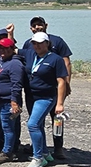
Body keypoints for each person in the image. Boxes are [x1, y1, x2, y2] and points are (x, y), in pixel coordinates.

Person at [16, 31, 68, 167]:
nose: (37, 46)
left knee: (32, 124)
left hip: (46, 97)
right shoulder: (30, 53)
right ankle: (45, 152)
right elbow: (13, 49)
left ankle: (38, 157)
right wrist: (11, 33)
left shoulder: (56, 59)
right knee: (38, 125)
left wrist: (60, 103)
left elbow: (61, 81)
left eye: (40, 43)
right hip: (31, 96)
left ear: (47, 43)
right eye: (34, 43)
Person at [21, 16, 72, 159]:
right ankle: (41, 148)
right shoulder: (28, 45)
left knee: (57, 119)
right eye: (34, 25)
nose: (37, 27)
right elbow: (21, 56)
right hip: (33, 92)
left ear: (45, 25)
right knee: (37, 121)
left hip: (52, 90)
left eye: (39, 24)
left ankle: (58, 147)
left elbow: (66, 63)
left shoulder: (57, 41)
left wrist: (67, 84)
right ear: (31, 28)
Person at [0, 38, 25, 164]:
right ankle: (13, 147)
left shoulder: (15, 64)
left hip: (7, 102)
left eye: (5, 48)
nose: (2, 51)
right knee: (9, 127)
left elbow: (16, 85)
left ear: (12, 48)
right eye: (0, 48)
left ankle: (7, 152)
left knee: (8, 128)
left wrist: (14, 101)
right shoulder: (3, 61)